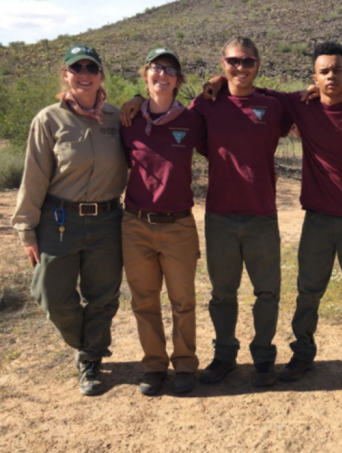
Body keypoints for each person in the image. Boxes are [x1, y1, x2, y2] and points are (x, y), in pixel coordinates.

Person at [204, 41, 342, 392]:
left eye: (337, 70)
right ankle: (303, 353)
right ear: (314, 77)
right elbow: (250, 87)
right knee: (308, 292)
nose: (331, 76)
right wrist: (219, 78)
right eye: (324, 71)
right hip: (317, 218)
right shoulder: (299, 105)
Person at [121, 37, 292, 387]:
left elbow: (311, 101)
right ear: (222, 63)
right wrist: (138, 99)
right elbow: (165, 110)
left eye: (247, 61)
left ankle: (263, 359)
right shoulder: (205, 106)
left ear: (258, 64)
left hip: (262, 215)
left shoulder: (274, 106)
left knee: (267, 293)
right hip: (220, 215)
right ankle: (224, 357)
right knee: (222, 294)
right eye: (233, 61)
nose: (240, 67)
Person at [11, 44, 128, 395]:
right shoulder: (49, 119)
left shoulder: (117, 118)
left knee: (103, 295)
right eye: (76, 68)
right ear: (65, 75)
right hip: (59, 219)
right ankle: (85, 342)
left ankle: (91, 358)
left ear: (101, 75)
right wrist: (26, 229)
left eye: (91, 68)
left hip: (108, 220)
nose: (84, 74)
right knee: (50, 293)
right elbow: (33, 177)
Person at [120, 48, 206, 395]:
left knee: (183, 300)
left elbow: (223, 107)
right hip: (136, 224)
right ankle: (154, 365)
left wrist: (216, 79)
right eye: (156, 68)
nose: (162, 75)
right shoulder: (127, 120)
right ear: (145, 75)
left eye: (170, 70)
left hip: (179, 224)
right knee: (144, 300)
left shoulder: (193, 120)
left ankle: (184, 364)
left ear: (178, 80)